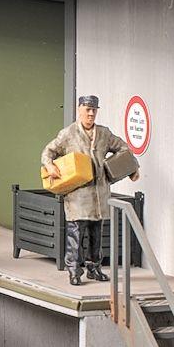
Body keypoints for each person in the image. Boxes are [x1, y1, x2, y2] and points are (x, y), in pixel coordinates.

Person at [41, 95, 142, 286]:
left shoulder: (104, 133)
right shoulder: (68, 134)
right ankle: (74, 270)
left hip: (99, 195)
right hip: (78, 195)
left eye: (94, 110)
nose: (90, 113)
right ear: (79, 109)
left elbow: (123, 149)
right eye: (87, 109)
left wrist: (130, 168)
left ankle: (94, 268)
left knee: (96, 233)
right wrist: (50, 165)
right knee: (75, 234)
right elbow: (48, 152)